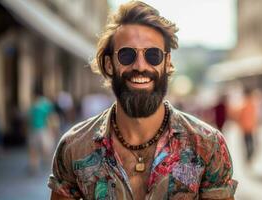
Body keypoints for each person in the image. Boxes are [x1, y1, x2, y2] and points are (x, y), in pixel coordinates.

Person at [48, 1, 237, 199]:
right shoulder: (74, 148)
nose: (140, 66)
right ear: (109, 64)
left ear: (167, 62)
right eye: (127, 55)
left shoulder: (208, 145)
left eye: (153, 55)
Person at [27, 88, 55, 174]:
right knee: (44, 148)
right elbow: (51, 117)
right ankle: (38, 165)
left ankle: (34, 165)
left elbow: (30, 118)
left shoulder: (34, 105)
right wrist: (53, 129)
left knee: (34, 148)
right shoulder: (46, 103)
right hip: (43, 129)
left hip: (38, 129)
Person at [236, 88, 257, 166]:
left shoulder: (243, 104)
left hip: (244, 128)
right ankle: (249, 155)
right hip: (250, 127)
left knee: (246, 143)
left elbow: (238, 116)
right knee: (250, 143)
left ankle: (248, 156)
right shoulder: (252, 103)